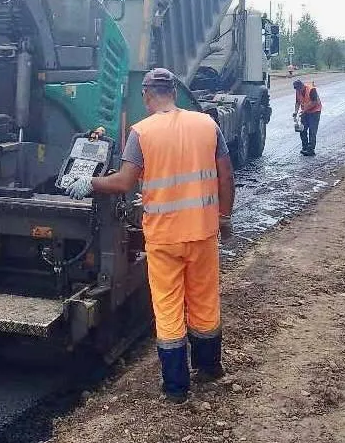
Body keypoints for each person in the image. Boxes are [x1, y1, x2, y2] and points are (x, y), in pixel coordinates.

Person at [65, 68, 235, 404]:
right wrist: (225, 218)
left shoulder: (142, 132)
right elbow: (226, 177)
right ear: (174, 91)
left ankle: (176, 388)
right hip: (202, 232)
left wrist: (90, 183)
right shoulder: (207, 124)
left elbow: (125, 182)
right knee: (204, 300)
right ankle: (209, 367)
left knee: (169, 308)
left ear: (146, 95)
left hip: (164, 239)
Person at [292, 79, 322, 156]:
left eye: (299, 89)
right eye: (297, 89)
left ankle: (311, 149)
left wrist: (305, 110)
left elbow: (315, 102)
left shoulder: (311, 89)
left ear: (302, 86)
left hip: (315, 112)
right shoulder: (298, 91)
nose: (298, 90)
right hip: (305, 112)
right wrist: (296, 112)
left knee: (312, 131)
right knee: (302, 129)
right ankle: (305, 147)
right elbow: (297, 102)